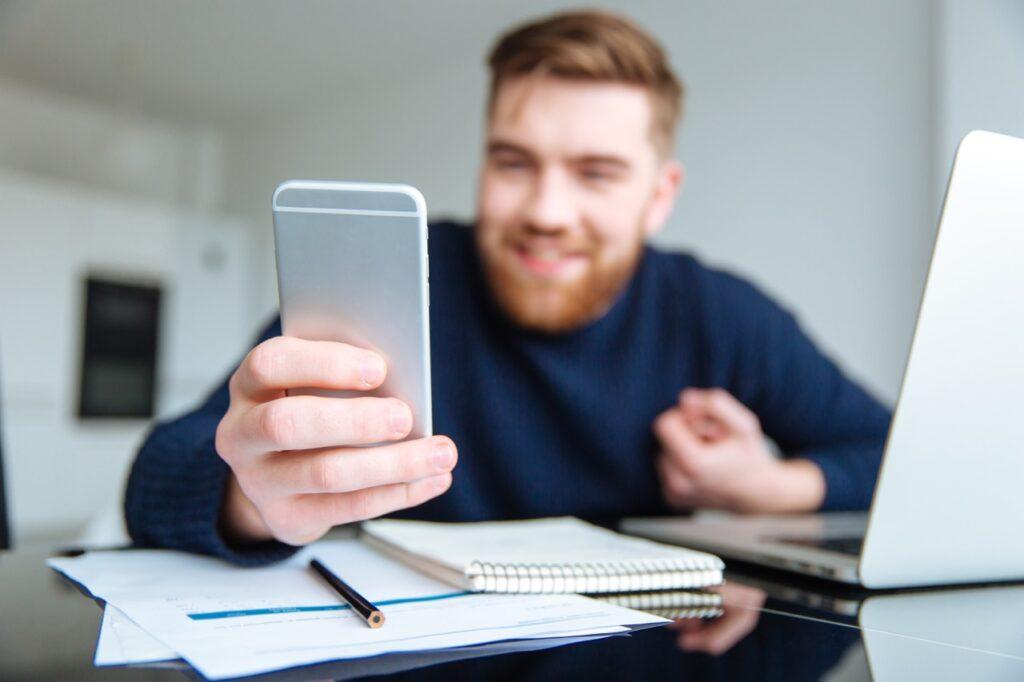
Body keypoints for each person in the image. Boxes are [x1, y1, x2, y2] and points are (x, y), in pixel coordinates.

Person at [125, 10, 890, 565]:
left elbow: (889, 450)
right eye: (515, 163)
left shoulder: (718, 313)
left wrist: (767, 485)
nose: (547, 214)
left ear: (660, 195)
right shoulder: (396, 278)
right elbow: (160, 473)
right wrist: (251, 495)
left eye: (596, 174)